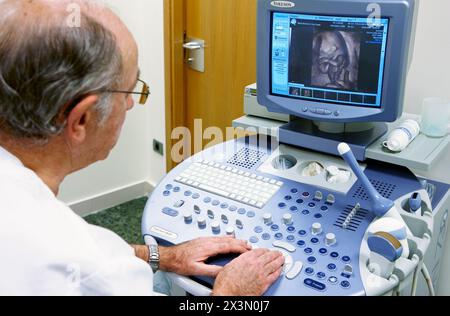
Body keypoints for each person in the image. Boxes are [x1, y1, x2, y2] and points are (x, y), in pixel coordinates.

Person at [0, 0, 284, 296]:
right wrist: (232, 293)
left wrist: (165, 256)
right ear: (81, 118)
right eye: (130, 89)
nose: (131, 103)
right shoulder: (83, 269)